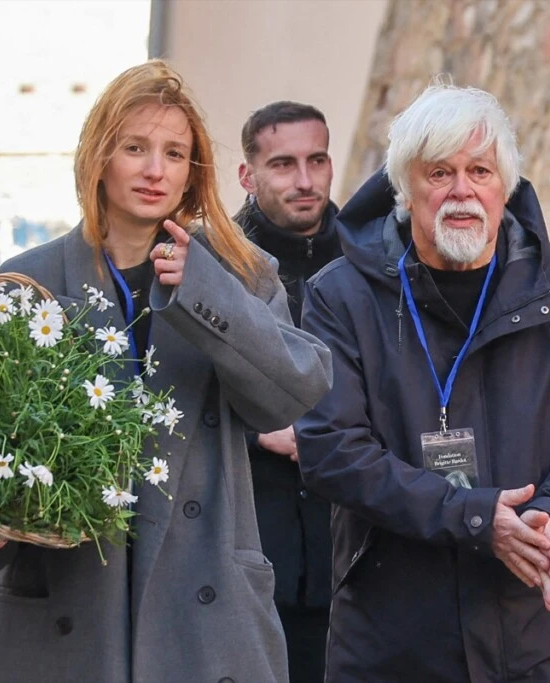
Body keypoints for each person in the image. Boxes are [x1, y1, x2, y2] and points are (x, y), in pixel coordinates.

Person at [0, 61, 332, 683]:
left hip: (203, 618)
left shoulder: (239, 271)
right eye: (135, 147)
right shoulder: (25, 282)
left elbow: (293, 393)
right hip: (67, 616)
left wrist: (206, 292)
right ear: (99, 157)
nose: (155, 169)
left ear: (194, 170)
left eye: (175, 152)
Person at [295, 83, 550, 681]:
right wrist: (475, 516)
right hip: (395, 635)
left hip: (539, 631)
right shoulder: (340, 295)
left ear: (505, 186)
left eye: (480, 170)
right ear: (404, 191)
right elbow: (332, 450)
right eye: (439, 173)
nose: (462, 191)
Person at [232, 100, 341, 683]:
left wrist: (324, 433)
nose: (304, 180)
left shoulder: (373, 261)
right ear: (247, 176)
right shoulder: (214, 265)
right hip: (249, 556)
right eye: (283, 164)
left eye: (317, 160)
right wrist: (259, 428)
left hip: (353, 554)